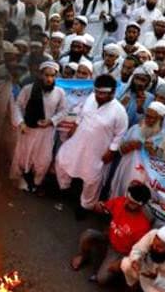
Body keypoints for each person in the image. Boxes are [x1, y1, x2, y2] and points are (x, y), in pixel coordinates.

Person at [55, 74, 129, 214]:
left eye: (103, 93)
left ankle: (86, 205)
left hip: (98, 150)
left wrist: (111, 151)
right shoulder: (90, 98)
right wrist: (74, 127)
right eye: (97, 92)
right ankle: (64, 188)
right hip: (78, 142)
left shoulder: (119, 112)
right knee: (62, 161)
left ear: (112, 93)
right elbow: (81, 116)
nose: (98, 96)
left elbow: (120, 134)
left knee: (92, 179)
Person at [70, 183, 153, 285]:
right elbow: (104, 208)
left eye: (132, 203)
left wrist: (121, 263)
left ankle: (118, 273)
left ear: (141, 205)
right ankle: (83, 255)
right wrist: (99, 207)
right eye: (127, 199)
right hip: (107, 237)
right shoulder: (120, 201)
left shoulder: (143, 226)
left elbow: (138, 252)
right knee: (88, 234)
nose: (127, 203)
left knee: (102, 279)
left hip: (119, 252)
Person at [10, 61, 67, 193]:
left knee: (43, 160)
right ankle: (18, 180)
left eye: (52, 76)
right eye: (46, 75)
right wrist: (20, 122)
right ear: (41, 75)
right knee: (21, 157)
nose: (49, 79)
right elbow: (17, 106)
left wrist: (51, 121)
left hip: (46, 132)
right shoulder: (28, 89)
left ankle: (36, 183)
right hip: (28, 129)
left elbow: (64, 111)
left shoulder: (60, 93)